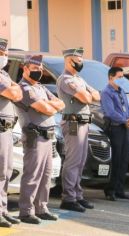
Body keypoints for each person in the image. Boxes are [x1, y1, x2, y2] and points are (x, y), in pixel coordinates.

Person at [16, 54, 65, 224]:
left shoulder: (40, 87)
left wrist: (49, 106)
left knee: (46, 175)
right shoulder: (24, 89)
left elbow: (61, 104)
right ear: (25, 68)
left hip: (48, 136)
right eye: (35, 68)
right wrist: (49, 107)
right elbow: (47, 109)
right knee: (32, 175)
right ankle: (26, 211)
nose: (39, 71)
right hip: (34, 137)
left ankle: (41, 208)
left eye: (41, 69)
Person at [57, 47, 101, 212]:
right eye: (78, 60)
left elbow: (97, 96)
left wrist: (89, 94)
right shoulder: (66, 80)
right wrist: (88, 95)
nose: (81, 63)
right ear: (69, 60)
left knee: (81, 161)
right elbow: (87, 97)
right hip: (73, 124)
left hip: (84, 123)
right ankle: (68, 198)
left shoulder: (79, 79)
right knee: (73, 161)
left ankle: (77, 195)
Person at [101, 67, 129, 201]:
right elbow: (110, 112)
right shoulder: (106, 92)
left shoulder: (121, 91)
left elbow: (128, 108)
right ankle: (110, 189)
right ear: (111, 77)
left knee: (124, 159)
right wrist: (124, 120)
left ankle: (120, 189)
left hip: (124, 127)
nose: (122, 80)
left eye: (123, 77)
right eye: (119, 77)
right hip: (114, 128)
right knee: (115, 159)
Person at [0, 38, 22, 227]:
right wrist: (13, 89)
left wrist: (13, 89)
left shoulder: (4, 75)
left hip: (7, 129)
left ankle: (3, 210)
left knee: (6, 171)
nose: (4, 57)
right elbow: (14, 94)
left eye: (5, 54)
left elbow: (18, 91)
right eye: (1, 54)